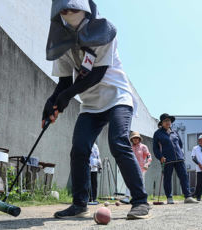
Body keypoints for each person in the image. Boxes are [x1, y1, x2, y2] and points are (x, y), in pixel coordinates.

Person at [42, 0, 150, 219]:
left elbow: (97, 74)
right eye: (63, 7)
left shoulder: (103, 31)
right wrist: (51, 103)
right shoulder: (61, 40)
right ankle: (79, 204)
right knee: (80, 148)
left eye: (73, 6)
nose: (67, 10)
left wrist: (66, 96)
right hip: (91, 105)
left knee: (118, 142)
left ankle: (140, 202)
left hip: (117, 97)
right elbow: (64, 83)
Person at [153, 113, 199, 204]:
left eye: (169, 121)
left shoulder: (175, 132)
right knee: (167, 179)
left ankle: (188, 197)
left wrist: (180, 153)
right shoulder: (157, 133)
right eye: (165, 121)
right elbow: (155, 148)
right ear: (161, 123)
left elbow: (180, 144)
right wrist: (160, 157)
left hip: (179, 158)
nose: (168, 122)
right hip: (167, 159)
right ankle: (169, 197)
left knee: (184, 177)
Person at [121, 131, 152, 204]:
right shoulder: (130, 147)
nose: (135, 139)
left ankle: (142, 198)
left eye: (137, 138)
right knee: (129, 181)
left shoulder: (143, 147)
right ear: (131, 139)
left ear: (139, 139)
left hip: (142, 167)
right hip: (132, 167)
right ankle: (127, 197)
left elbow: (148, 155)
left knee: (141, 183)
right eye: (134, 138)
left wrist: (147, 163)